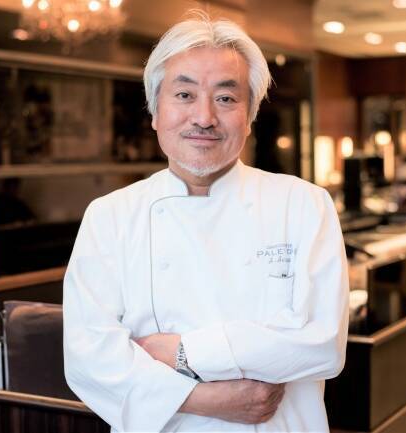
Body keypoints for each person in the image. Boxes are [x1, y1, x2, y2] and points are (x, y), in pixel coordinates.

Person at [63, 13, 349, 432]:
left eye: (226, 98)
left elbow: (322, 345)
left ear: (249, 116)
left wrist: (182, 352)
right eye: (184, 94)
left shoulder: (304, 205)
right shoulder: (110, 216)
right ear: (154, 111)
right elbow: (89, 358)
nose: (203, 117)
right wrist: (209, 400)